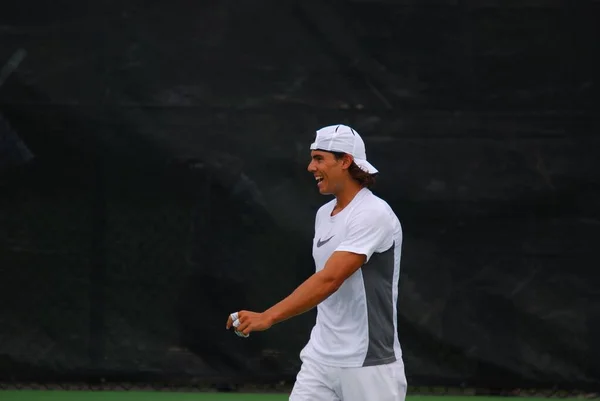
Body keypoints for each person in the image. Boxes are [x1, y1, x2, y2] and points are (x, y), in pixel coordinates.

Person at [226, 124, 407, 400]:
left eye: (319, 158)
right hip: (320, 359)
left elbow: (330, 279)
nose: (311, 167)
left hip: (368, 364)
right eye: (312, 158)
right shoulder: (324, 214)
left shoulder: (373, 214)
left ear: (345, 161)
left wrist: (267, 317)